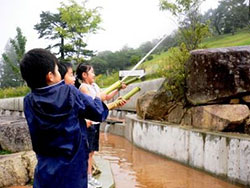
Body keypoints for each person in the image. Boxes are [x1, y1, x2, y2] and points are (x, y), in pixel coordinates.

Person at [20, 48, 109, 188]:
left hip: (45, 172)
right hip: (73, 171)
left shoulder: (28, 102)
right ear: (50, 76)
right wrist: (98, 98)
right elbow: (97, 113)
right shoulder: (69, 92)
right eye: (57, 70)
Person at [75, 63, 126, 188]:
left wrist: (118, 89)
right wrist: (100, 97)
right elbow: (93, 103)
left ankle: (89, 178)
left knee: (91, 152)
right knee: (88, 153)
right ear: (84, 75)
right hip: (89, 123)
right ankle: (87, 179)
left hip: (96, 123)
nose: (94, 75)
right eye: (92, 72)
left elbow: (105, 97)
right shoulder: (83, 87)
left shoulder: (94, 85)